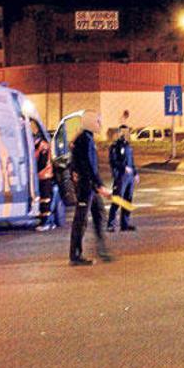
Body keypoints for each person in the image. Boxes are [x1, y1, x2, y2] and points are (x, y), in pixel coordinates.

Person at [69, 110, 112, 266]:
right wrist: (99, 185)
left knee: (100, 213)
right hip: (86, 187)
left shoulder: (86, 139)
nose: (100, 124)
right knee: (81, 221)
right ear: (90, 122)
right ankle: (75, 255)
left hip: (90, 186)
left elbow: (82, 164)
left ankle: (101, 249)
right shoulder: (85, 140)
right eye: (98, 121)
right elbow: (89, 166)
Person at [107, 124, 138, 232]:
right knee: (117, 199)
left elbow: (132, 161)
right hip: (120, 176)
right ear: (119, 133)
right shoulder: (115, 146)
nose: (125, 134)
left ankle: (125, 223)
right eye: (123, 132)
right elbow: (113, 161)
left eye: (127, 132)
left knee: (127, 200)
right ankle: (111, 224)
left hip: (129, 177)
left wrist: (135, 173)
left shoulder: (128, 146)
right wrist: (123, 167)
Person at [32, 123, 55, 231]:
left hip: (44, 176)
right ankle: (49, 222)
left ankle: (46, 223)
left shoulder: (44, 145)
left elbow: (42, 162)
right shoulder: (41, 145)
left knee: (45, 200)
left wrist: (36, 173)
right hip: (43, 176)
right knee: (45, 200)